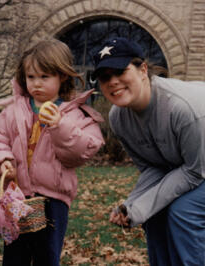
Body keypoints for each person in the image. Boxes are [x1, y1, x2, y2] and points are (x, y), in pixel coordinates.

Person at [0, 39, 105, 266]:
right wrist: (3, 161)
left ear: (63, 76)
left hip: (53, 201)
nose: (36, 84)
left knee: (46, 256)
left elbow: (82, 151)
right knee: (14, 255)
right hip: (17, 196)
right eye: (31, 77)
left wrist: (60, 126)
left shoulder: (74, 115)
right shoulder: (13, 111)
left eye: (44, 77)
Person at [92, 37, 205, 266]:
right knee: (153, 215)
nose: (113, 82)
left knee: (183, 211)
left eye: (120, 71)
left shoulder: (181, 108)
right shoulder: (118, 117)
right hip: (192, 167)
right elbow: (153, 168)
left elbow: (194, 172)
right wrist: (131, 206)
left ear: (143, 69)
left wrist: (141, 206)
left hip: (199, 167)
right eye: (105, 77)